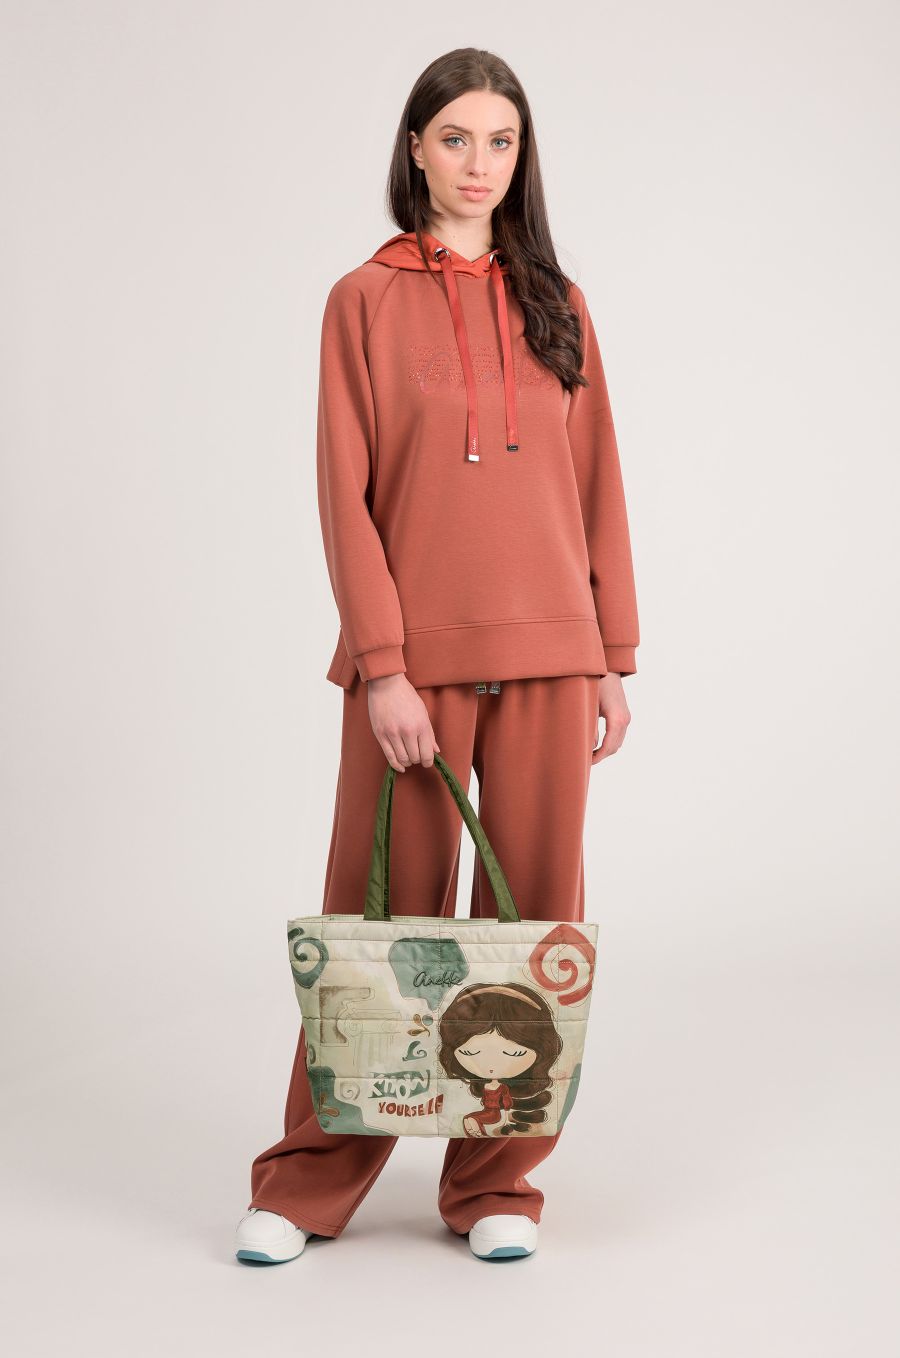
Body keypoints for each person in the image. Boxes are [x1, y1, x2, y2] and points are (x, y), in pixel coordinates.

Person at [235, 45, 640, 1265]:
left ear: (523, 157)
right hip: (413, 663)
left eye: (501, 141)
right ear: (415, 146)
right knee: (382, 915)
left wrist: (612, 653)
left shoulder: (559, 301)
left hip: (554, 652)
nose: (479, 163)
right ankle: (309, 1178)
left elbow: (596, 481)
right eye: (456, 137)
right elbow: (344, 494)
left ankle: (494, 1182)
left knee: (534, 917)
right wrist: (383, 664)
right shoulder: (362, 298)